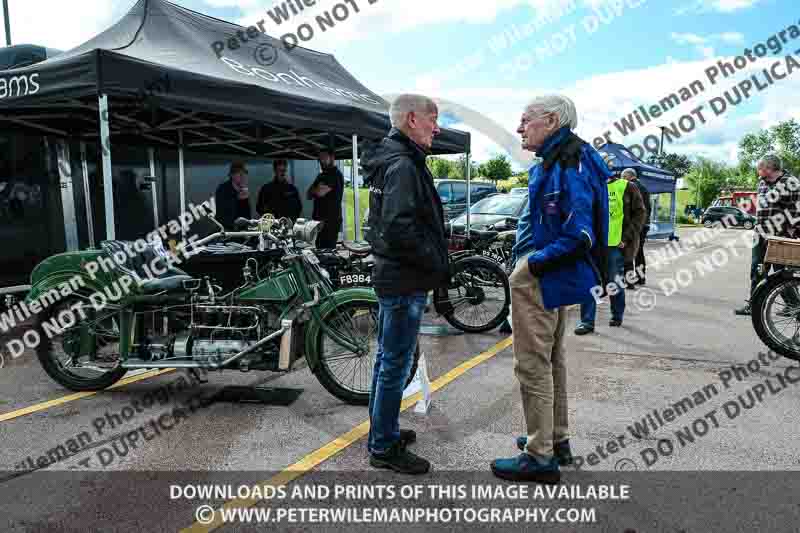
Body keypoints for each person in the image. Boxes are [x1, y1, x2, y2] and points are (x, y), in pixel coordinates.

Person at [490, 95, 610, 484]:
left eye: (526, 120)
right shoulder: (567, 156)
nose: (520, 127)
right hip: (551, 274)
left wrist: (534, 264)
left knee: (532, 363)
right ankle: (554, 439)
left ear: (552, 121)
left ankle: (539, 455)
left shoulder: (568, 160)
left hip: (542, 273)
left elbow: (581, 233)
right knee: (551, 359)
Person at [362, 94, 448, 475]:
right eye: (433, 118)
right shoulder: (402, 165)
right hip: (403, 278)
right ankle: (383, 446)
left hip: (396, 276)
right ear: (412, 119)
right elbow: (398, 227)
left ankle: (384, 433)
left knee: (389, 361)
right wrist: (433, 259)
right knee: (395, 364)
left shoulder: (395, 159)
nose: (437, 126)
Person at [575, 167, 646, 335]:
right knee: (588, 282)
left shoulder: (627, 186)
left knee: (614, 282)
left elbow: (640, 214)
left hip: (615, 245)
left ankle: (617, 315)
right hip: (592, 245)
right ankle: (587, 322)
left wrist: (626, 238)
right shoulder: (590, 186)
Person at [735, 154, 800, 316]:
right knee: (757, 269)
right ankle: (753, 305)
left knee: (782, 272)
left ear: (769, 168)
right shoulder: (762, 183)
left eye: (759, 167)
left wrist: (793, 230)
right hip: (760, 234)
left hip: (780, 236)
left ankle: (793, 306)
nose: (757, 170)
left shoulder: (790, 183)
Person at [307, 149, 344, 249]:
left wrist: (316, 190)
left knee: (327, 251)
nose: (321, 160)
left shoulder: (335, 174)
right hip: (319, 220)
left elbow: (320, 192)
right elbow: (308, 194)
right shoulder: (321, 175)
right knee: (319, 247)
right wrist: (317, 189)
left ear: (332, 158)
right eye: (319, 158)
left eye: (324, 157)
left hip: (330, 220)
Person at [623, 168, 651, 286]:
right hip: (644, 224)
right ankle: (641, 277)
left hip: (636, 224)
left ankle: (630, 280)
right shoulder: (644, 187)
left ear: (628, 176)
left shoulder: (632, 187)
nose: (622, 180)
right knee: (639, 252)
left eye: (623, 177)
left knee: (630, 252)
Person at [214, 161, 252, 230]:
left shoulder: (243, 188)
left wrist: (244, 201)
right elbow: (222, 214)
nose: (242, 176)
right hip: (226, 229)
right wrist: (238, 199)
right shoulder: (222, 189)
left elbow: (247, 215)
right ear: (232, 175)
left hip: (241, 229)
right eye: (239, 173)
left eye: (244, 173)